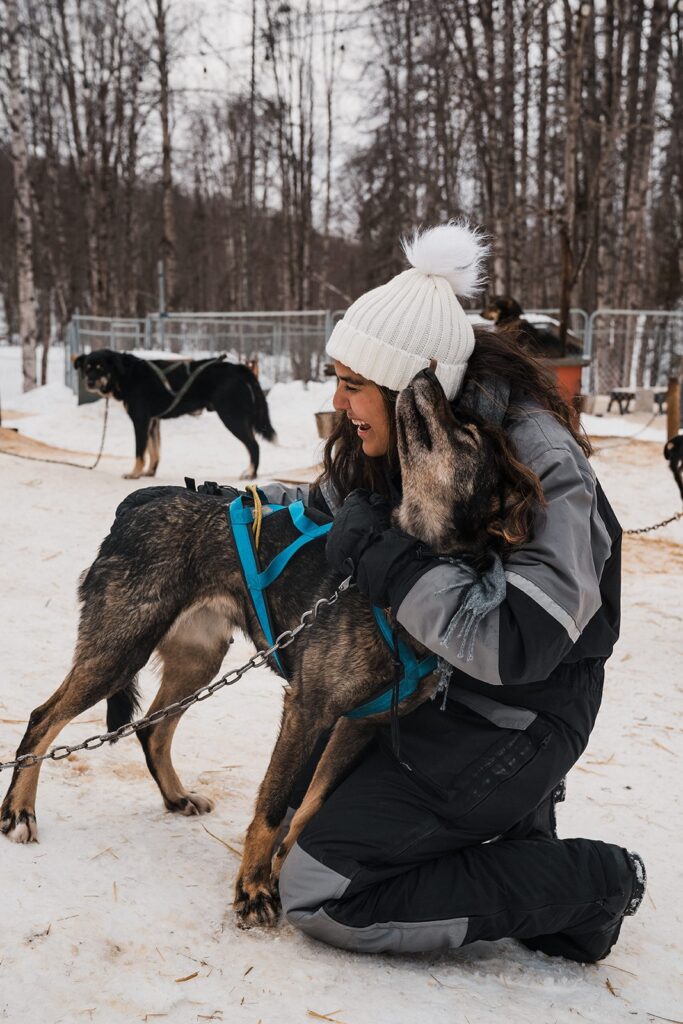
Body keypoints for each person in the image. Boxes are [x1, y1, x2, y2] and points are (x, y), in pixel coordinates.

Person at [268, 222, 646, 962]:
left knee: (319, 888)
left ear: (412, 387)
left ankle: (592, 883)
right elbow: (322, 505)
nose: (339, 402)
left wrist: (391, 561)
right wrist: (219, 512)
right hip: (429, 698)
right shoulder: (405, 435)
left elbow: (517, 644)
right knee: (300, 832)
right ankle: (518, 836)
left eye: (352, 385)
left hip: (520, 715)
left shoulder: (539, 458)